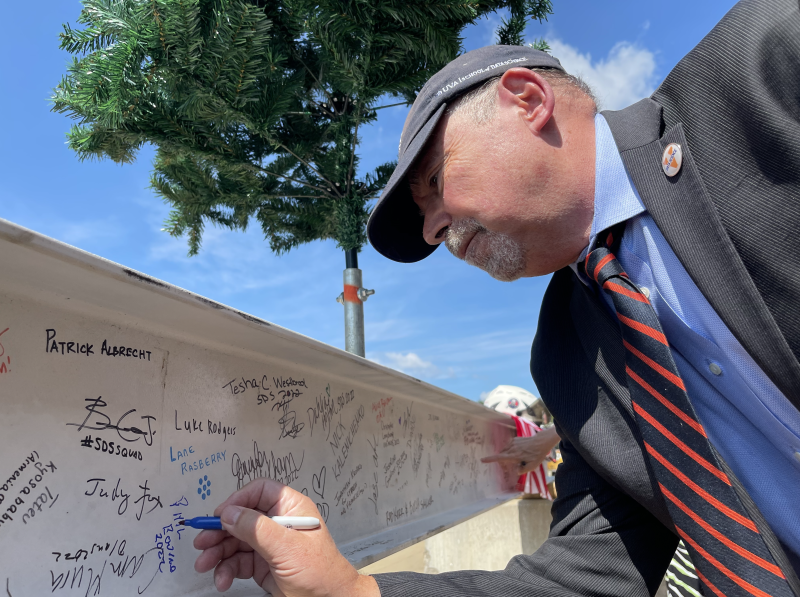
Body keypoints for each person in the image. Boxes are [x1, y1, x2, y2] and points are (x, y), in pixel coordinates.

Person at [192, 0, 800, 595]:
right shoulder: (566, 351)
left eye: (432, 181)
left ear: (527, 100)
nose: (432, 230)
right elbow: (588, 574)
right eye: (425, 218)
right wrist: (351, 593)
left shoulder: (765, 65)